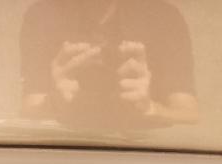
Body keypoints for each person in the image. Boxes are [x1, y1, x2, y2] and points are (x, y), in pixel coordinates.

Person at [20, 0, 198, 130]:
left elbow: (190, 116)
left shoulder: (164, 18)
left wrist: (150, 108)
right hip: (67, 153)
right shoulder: (42, 16)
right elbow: (28, 112)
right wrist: (55, 102)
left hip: (142, 152)